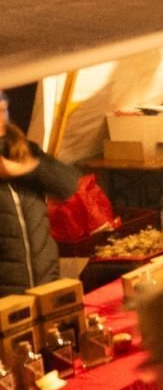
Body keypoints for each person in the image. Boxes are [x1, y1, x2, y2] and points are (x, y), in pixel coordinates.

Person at [1, 117, 82, 296]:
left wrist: (25, 169)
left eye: (3, 109)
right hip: (6, 294)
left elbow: (67, 184)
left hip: (45, 281)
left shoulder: (22, 148)